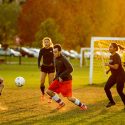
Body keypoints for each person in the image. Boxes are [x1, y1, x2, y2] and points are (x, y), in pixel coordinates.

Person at [46, 44, 87, 110]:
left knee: (70, 98)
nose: (54, 53)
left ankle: (82, 105)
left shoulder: (63, 59)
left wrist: (61, 76)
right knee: (49, 91)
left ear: (60, 51)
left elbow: (71, 69)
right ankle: (61, 103)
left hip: (66, 80)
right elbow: (58, 71)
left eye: (56, 52)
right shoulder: (55, 58)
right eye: (53, 52)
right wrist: (55, 78)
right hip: (58, 79)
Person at [104, 43, 125, 108]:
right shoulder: (111, 56)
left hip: (120, 75)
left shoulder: (116, 56)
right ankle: (112, 102)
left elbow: (116, 67)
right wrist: (108, 70)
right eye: (109, 47)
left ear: (115, 49)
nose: (109, 48)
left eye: (111, 47)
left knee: (119, 91)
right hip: (114, 75)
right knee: (106, 88)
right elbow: (113, 65)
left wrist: (108, 64)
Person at [38, 37, 55, 102]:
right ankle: (43, 93)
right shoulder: (42, 50)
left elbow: (55, 58)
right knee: (42, 82)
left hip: (51, 68)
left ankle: (50, 97)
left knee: (50, 83)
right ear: (43, 43)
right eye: (45, 42)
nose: (46, 43)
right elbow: (39, 58)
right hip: (44, 67)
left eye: (47, 42)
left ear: (50, 43)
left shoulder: (52, 49)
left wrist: (55, 66)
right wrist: (38, 65)